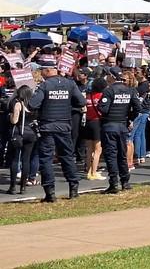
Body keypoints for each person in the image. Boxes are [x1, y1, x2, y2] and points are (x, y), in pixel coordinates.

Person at [29, 58, 85, 202]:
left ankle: (50, 193)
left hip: (47, 126)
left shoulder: (45, 86)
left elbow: (33, 104)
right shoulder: (70, 84)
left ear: (48, 71)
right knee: (67, 156)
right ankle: (73, 188)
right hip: (64, 125)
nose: (40, 73)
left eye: (42, 70)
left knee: (46, 158)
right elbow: (81, 101)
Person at [97, 69, 141, 194]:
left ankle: (113, 183)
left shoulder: (109, 90)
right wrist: (129, 119)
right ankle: (125, 182)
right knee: (122, 154)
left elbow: (104, 109)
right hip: (122, 126)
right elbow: (138, 107)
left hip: (110, 125)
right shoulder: (130, 90)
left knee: (111, 155)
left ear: (112, 77)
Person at [6, 85, 37, 195]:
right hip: (31, 134)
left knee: (15, 159)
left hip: (19, 133)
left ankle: (13, 186)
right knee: (26, 160)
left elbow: (14, 120)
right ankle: (23, 186)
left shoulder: (18, 103)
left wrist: (9, 116)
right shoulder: (33, 104)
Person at [83, 77, 106, 180]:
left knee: (89, 149)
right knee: (98, 149)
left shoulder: (88, 96)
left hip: (88, 122)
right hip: (97, 122)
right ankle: (94, 172)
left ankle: (88, 171)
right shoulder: (102, 96)